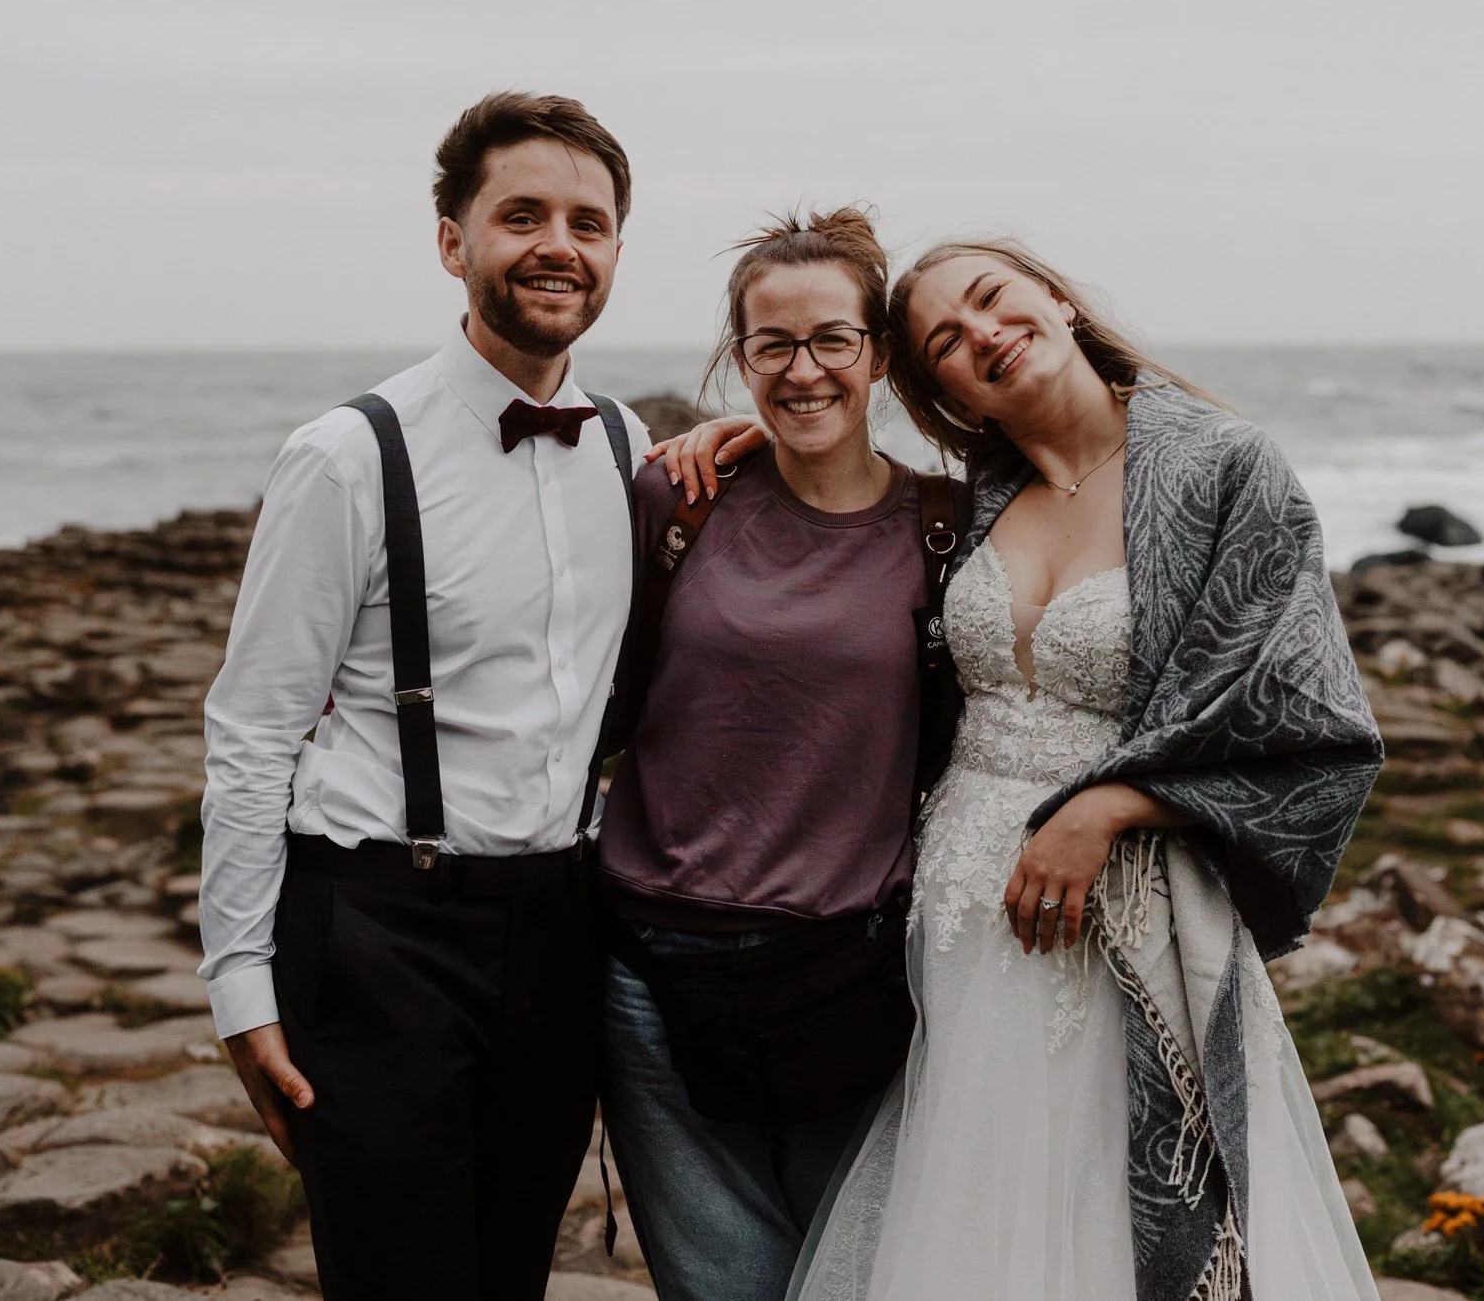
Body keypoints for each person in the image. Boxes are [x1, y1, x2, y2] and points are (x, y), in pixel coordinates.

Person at [665, 239, 1384, 1301]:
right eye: (944, 341)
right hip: (955, 916)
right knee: (976, 1199)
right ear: (932, 384)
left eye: (992, 299)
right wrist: (747, 439)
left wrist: (1111, 803)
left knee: (1116, 1196)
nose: (981, 336)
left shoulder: (1221, 466)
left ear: (1054, 295)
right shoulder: (973, 500)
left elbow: (1311, 718)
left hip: (1121, 907)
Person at [197, 91, 647, 1301]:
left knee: (508, 1277)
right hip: (378, 932)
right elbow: (250, 730)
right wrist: (239, 980)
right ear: (454, 241)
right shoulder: (346, 455)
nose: (560, 243)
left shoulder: (627, 446)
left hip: (562, 929)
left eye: (589, 221)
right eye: (523, 214)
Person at [596, 207, 962, 1301]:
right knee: (718, 1286)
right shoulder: (676, 499)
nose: (803, 372)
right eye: (772, 345)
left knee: (849, 1275)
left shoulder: (946, 526)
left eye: (831, 340)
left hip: (845, 970)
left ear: (877, 353)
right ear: (737, 356)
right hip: (648, 967)